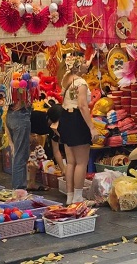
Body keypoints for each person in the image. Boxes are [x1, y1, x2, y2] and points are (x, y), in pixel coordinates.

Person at [59, 55, 96, 204]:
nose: (87, 64)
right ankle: (78, 197)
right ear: (78, 65)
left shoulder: (65, 79)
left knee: (70, 162)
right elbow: (82, 105)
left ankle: (70, 196)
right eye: (84, 62)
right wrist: (92, 127)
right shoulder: (81, 83)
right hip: (77, 120)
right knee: (81, 162)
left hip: (65, 119)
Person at [5, 98, 31, 190]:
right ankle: (19, 189)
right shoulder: (19, 84)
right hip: (20, 114)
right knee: (20, 155)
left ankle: (18, 188)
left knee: (18, 154)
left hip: (11, 114)